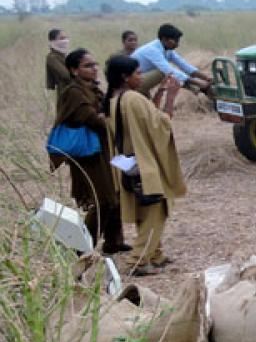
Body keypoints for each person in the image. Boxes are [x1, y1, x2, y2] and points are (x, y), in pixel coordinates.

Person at [105, 55, 187, 276]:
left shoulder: (115, 99)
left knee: (145, 210)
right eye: (137, 73)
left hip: (128, 165)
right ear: (125, 76)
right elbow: (161, 124)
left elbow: (146, 117)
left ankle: (155, 254)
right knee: (156, 210)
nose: (141, 77)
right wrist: (171, 97)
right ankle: (138, 261)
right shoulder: (133, 98)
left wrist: (159, 93)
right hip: (145, 164)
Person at [51, 49, 127, 255]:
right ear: (74, 70)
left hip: (103, 151)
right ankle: (81, 247)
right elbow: (93, 119)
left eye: (95, 64)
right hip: (88, 155)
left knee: (115, 195)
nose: (94, 69)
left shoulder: (93, 88)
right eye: (87, 65)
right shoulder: (74, 92)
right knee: (102, 200)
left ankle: (114, 241)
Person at [132, 23, 213, 99]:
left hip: (142, 79)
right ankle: (200, 88)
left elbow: (184, 65)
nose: (178, 44)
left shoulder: (167, 49)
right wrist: (198, 82)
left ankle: (200, 89)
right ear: (165, 39)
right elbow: (169, 71)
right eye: (176, 41)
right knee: (165, 73)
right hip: (132, 83)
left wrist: (206, 78)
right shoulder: (152, 50)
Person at [46, 29, 72, 96]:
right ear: (53, 41)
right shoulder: (52, 57)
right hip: (65, 90)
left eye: (66, 38)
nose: (65, 41)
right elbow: (65, 75)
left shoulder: (65, 54)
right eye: (61, 38)